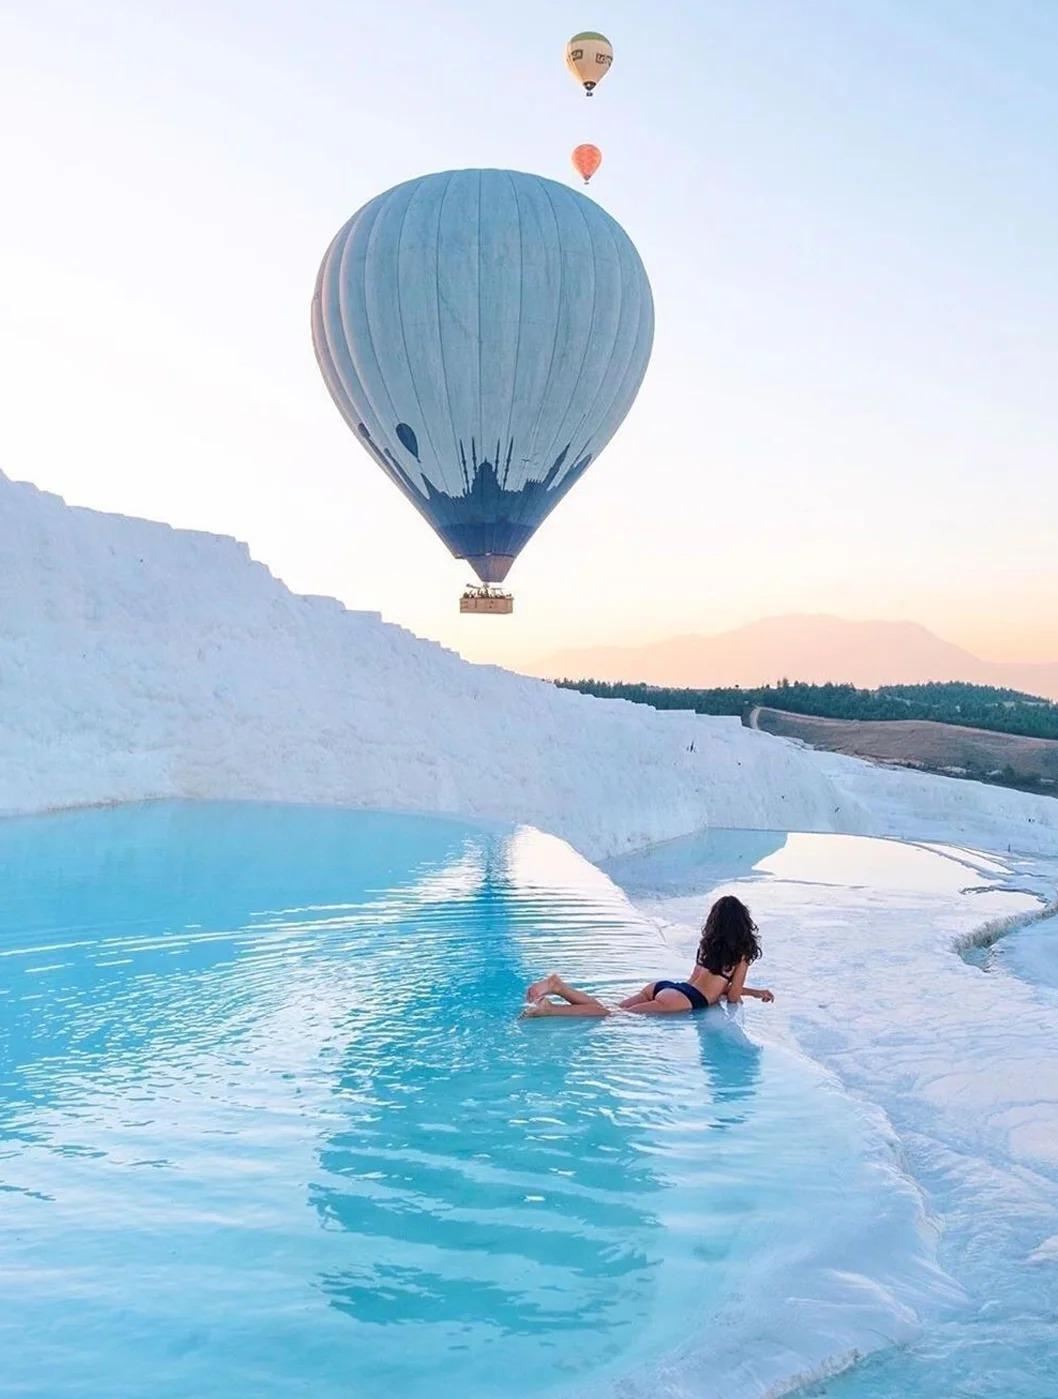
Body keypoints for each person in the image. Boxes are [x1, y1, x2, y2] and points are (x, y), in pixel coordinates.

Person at [520, 894, 774, 1018]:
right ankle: (551, 1009)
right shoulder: (740, 955)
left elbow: (706, 982)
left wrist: (754, 992)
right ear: (743, 923)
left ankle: (558, 986)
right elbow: (730, 995)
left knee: (611, 1008)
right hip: (686, 999)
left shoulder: (706, 945)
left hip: (667, 988)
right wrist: (748, 994)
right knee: (611, 1016)